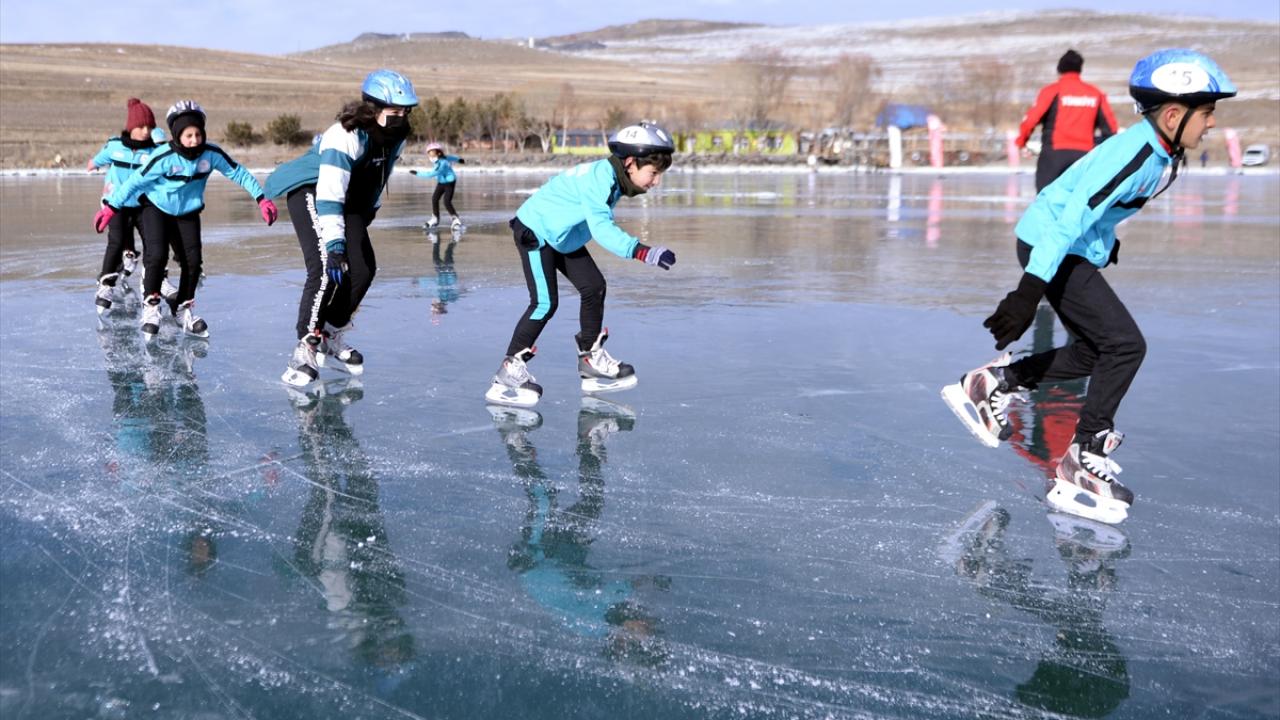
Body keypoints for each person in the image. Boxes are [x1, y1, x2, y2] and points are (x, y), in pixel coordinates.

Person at [942, 49, 1236, 524]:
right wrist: (1028, 292)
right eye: (1207, 114)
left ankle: (995, 381)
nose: (1213, 125)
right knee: (1125, 346)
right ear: (1175, 114)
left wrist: (1104, 243)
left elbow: (1100, 209)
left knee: (1099, 350)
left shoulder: (1162, 150)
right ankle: (1082, 455)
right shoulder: (1139, 153)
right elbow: (1072, 213)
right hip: (1052, 246)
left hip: (1070, 246)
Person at [485, 121, 678, 408]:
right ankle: (508, 370)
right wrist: (641, 252)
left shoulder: (612, 178)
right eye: (653, 173)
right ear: (630, 163)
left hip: (560, 235)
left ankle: (590, 359)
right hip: (535, 231)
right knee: (544, 303)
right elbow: (601, 228)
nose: (656, 181)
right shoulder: (599, 179)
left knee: (593, 287)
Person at [265, 69, 418, 387]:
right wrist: (335, 246)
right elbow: (330, 193)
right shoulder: (345, 135)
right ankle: (305, 346)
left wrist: (368, 212)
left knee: (364, 269)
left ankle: (330, 334)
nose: (401, 118)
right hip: (311, 188)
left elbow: (379, 174)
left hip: (348, 198)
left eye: (406, 112)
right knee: (324, 268)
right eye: (395, 112)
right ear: (373, 108)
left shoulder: (396, 136)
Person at [93, 100, 277, 339]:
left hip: (187, 213)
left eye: (198, 134)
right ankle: (150, 307)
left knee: (192, 262)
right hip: (156, 208)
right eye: (188, 135)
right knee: (156, 256)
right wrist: (110, 207)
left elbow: (237, 172)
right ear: (178, 135)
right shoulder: (164, 156)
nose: (194, 140)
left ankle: (183, 308)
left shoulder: (211, 154)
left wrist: (261, 198)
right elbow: (135, 181)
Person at [88, 98, 160, 316]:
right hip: (116, 203)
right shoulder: (115, 146)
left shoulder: (154, 152)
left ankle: (152, 286)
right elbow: (98, 159)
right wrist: (93, 165)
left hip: (142, 204)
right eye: (141, 127)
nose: (146, 131)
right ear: (131, 128)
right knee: (116, 241)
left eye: (150, 127)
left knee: (153, 243)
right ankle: (107, 284)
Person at [1016, 50, 1119, 192]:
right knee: (1080, 204)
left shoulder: (1052, 91)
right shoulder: (1095, 93)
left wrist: (1021, 142)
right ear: (1080, 69)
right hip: (1085, 157)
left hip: (1054, 156)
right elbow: (1111, 129)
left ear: (1059, 69)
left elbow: (1031, 120)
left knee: (1046, 204)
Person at [409, 142, 465, 230]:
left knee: (446, 201)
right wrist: (459, 160)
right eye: (429, 155)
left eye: (432, 155)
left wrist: (417, 173)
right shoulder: (442, 158)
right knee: (434, 199)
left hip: (449, 182)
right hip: (441, 182)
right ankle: (435, 218)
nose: (431, 157)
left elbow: (430, 174)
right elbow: (451, 157)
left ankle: (456, 219)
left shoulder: (441, 164)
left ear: (439, 153)